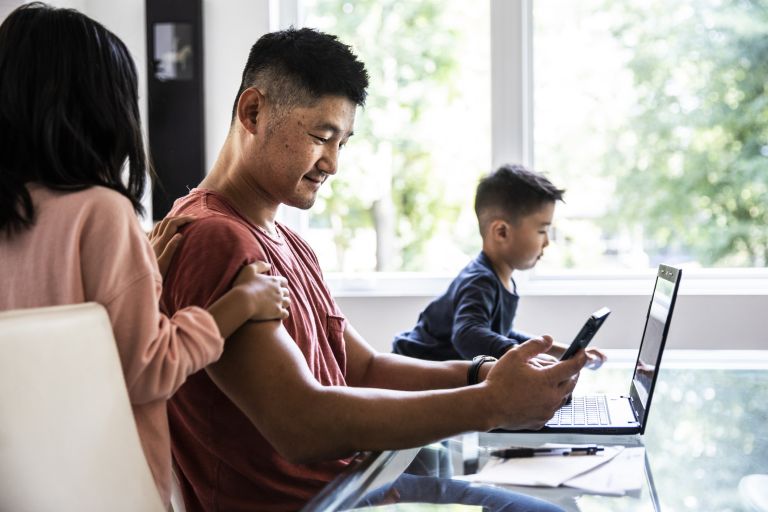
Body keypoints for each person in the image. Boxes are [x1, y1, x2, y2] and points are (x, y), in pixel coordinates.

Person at [161, 27, 588, 512]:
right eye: (322, 137)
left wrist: (484, 373)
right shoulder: (212, 238)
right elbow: (300, 424)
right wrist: (491, 404)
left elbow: (363, 368)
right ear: (253, 112)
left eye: (343, 142)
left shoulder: (289, 241)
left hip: (357, 488)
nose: (334, 163)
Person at [0, 3, 290, 506]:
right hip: (106, 484)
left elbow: (56, 329)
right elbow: (148, 368)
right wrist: (238, 304)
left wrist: (142, 278)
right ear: (100, 111)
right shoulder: (100, 212)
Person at [392, 164, 607, 365]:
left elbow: (499, 335)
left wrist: (564, 352)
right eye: (542, 231)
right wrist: (521, 358)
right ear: (501, 232)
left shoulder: (499, 277)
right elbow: (467, 334)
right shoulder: (480, 280)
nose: (547, 242)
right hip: (409, 372)